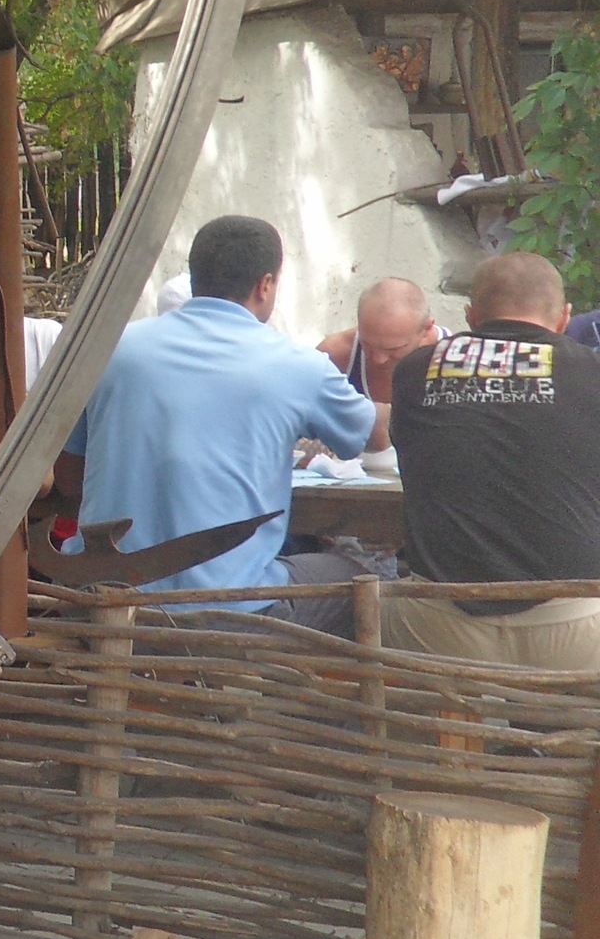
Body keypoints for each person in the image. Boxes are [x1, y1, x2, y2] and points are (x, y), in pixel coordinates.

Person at [58, 215, 374, 635]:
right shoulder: (298, 365)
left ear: (195, 276)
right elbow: (365, 434)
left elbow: (68, 477)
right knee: (359, 575)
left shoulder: (111, 349)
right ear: (265, 285)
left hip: (102, 597)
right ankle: (283, 675)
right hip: (227, 610)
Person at [386, 251, 600, 669]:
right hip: (574, 624)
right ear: (564, 318)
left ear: (470, 316)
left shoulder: (412, 371)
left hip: (438, 625)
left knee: (372, 596)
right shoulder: (591, 371)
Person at [315, 275, 442, 451]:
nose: (379, 359)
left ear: (426, 329)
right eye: (367, 345)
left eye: (394, 349)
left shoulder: (452, 360)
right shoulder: (335, 357)